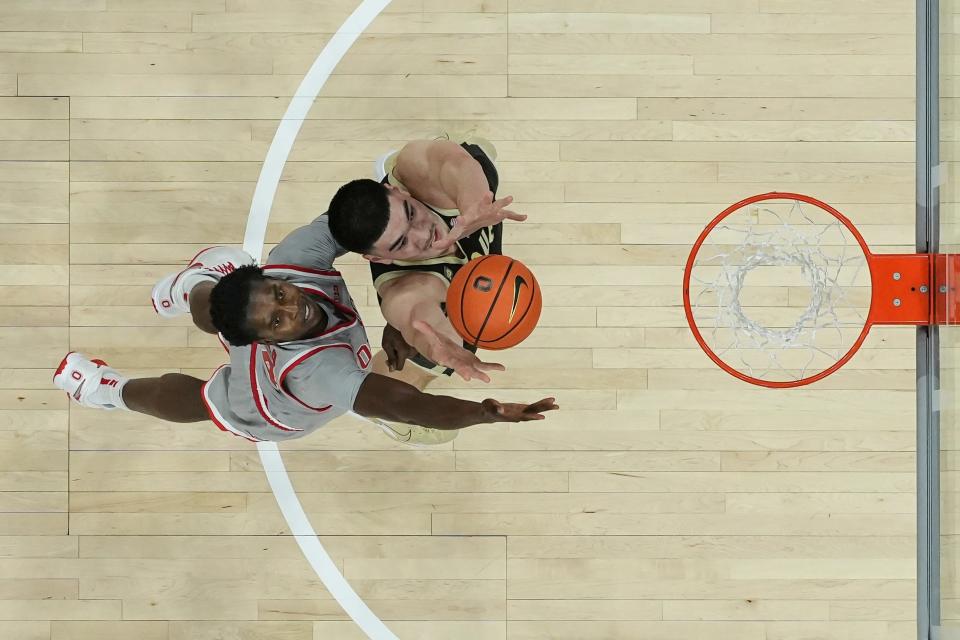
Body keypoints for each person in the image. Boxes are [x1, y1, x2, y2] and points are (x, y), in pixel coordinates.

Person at [53, 215, 558, 444]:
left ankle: (192, 288)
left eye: (279, 296)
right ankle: (107, 391)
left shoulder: (294, 261)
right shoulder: (319, 375)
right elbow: (411, 406)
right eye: (277, 321)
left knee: (231, 273)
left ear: (276, 280)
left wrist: (410, 206)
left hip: (273, 339)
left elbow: (354, 219)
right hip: (271, 401)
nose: (291, 310)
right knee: (196, 399)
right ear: (264, 341)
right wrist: (486, 414)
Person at [328, 134, 524, 386]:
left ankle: (403, 162)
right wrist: (438, 346)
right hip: (457, 284)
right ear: (378, 258)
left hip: (444, 182)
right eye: (402, 242)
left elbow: (457, 165)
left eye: (411, 213)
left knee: (478, 157)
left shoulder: (416, 170)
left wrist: (474, 204)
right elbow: (416, 318)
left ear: (396, 190)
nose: (424, 233)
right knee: (454, 347)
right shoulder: (404, 292)